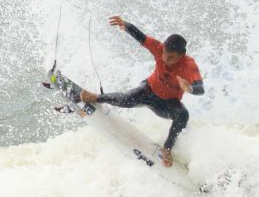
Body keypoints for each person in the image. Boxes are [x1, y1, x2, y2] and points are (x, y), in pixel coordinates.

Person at [80, 15, 204, 167]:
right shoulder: (159, 48)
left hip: (167, 104)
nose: (165, 59)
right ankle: (96, 97)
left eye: (171, 57)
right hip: (149, 90)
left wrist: (189, 88)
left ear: (182, 55)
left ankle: (167, 148)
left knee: (183, 115)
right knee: (126, 99)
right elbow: (141, 37)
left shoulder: (189, 65)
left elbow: (200, 89)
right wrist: (125, 25)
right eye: (164, 54)